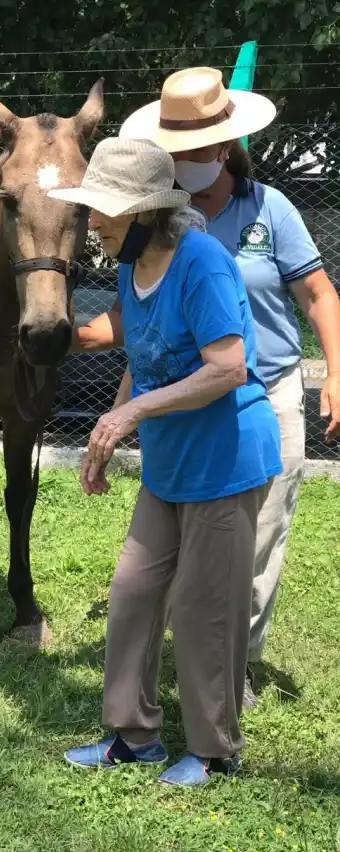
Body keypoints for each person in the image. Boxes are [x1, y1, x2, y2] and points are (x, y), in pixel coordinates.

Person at [48, 137, 282, 786]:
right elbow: (146, 359)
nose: (93, 223)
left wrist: (133, 415)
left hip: (228, 460)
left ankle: (215, 751)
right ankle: (134, 737)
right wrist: (114, 430)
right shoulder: (131, 266)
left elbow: (229, 367)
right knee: (132, 593)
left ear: (146, 213)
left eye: (104, 212)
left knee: (205, 611)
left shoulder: (202, 262)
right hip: (170, 465)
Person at [118, 67, 340, 706]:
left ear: (225, 146)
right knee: (184, 543)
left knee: (257, 539)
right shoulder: (156, 222)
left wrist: (337, 372)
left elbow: (318, 293)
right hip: (183, 401)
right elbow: (142, 315)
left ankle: (227, 671)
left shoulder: (269, 210)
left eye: (197, 148)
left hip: (262, 394)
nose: (186, 159)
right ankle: (193, 655)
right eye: (175, 148)